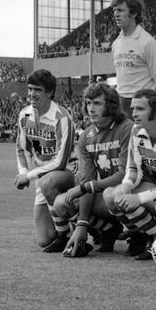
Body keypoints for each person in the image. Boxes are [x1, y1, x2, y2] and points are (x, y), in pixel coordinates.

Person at [103, 89, 156, 261]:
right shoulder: (136, 131)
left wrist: (140, 198)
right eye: (133, 108)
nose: (133, 113)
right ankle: (153, 238)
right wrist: (126, 185)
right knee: (111, 196)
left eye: (140, 109)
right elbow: (134, 170)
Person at [53, 83, 133, 257]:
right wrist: (81, 223)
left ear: (111, 106)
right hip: (106, 197)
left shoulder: (126, 128)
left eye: (97, 103)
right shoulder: (86, 137)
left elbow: (125, 175)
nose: (91, 108)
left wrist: (85, 188)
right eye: (88, 103)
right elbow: (86, 180)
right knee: (62, 203)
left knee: (112, 194)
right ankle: (109, 229)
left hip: (131, 192)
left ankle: (139, 234)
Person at [14, 69, 77, 252]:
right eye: (30, 89)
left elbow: (61, 161)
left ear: (49, 92)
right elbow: (21, 148)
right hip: (43, 177)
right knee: (44, 240)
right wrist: (23, 172)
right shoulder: (24, 115)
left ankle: (76, 230)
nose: (32, 94)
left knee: (46, 182)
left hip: (68, 171)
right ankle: (68, 229)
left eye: (37, 90)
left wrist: (30, 176)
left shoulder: (62, 117)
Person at [111, 0, 156, 112]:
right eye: (114, 10)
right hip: (122, 103)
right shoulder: (116, 43)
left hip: (142, 104)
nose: (116, 14)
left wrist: (150, 109)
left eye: (120, 10)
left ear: (134, 13)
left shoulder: (148, 43)